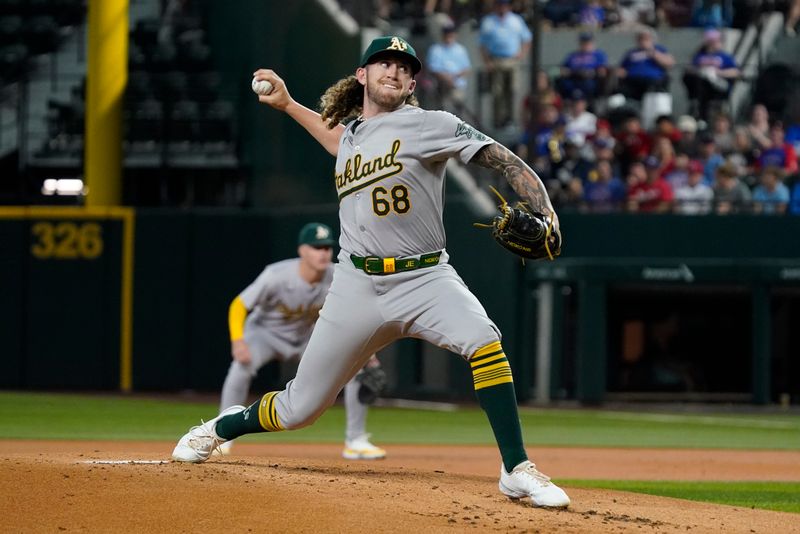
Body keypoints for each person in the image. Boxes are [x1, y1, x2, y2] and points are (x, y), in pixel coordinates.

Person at [172, 35, 571, 509]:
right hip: (356, 284)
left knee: (485, 342)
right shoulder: (355, 135)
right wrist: (288, 105)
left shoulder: (430, 124)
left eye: (404, 67)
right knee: (300, 409)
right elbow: (335, 140)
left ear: (412, 82)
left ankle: (516, 468)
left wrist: (545, 209)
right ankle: (220, 427)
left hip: (426, 278)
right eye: (384, 62)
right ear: (362, 75)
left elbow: (503, 159)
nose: (394, 71)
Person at [217, 222, 386, 460]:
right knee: (241, 367)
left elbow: (355, 313)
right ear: (302, 251)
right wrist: (238, 341)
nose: (323, 253)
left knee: (355, 366)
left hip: (306, 335)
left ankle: (355, 441)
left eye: (327, 247)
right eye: (316, 247)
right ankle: (222, 432)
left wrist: (367, 354)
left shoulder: (338, 275)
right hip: (265, 334)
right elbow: (239, 305)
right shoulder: (276, 275)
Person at [479, 0, 532, 128]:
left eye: (504, 5)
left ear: (509, 6)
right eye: (500, 5)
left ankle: (511, 119)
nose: (502, 7)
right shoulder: (488, 21)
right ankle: (498, 120)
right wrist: (487, 62)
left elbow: (527, 38)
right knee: (497, 92)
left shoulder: (516, 20)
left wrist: (522, 54)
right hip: (495, 60)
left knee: (513, 91)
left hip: (512, 60)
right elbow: (482, 43)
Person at [682, 29, 740, 121]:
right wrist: (700, 71)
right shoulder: (699, 55)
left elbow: (735, 72)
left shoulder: (724, 56)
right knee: (695, 80)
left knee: (704, 83)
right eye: (710, 41)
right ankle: (697, 108)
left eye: (714, 41)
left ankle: (701, 113)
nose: (712, 44)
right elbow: (688, 69)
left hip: (718, 85)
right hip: (701, 84)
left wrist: (718, 72)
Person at [616, 28, 675, 101]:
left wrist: (652, 53)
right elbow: (622, 68)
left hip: (652, 80)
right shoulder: (631, 52)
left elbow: (670, 63)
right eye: (640, 39)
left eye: (646, 38)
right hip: (631, 80)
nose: (643, 41)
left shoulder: (659, 49)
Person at [426, 22, 472, 114]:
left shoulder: (460, 49)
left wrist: (454, 78)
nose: (449, 36)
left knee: (458, 107)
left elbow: (467, 68)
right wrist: (446, 79)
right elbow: (432, 68)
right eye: (446, 34)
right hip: (441, 86)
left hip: (457, 85)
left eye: (451, 34)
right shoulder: (436, 49)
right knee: (443, 109)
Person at [556, 32, 609, 103]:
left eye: (587, 42)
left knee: (589, 85)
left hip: (590, 80)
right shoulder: (573, 55)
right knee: (563, 84)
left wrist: (592, 73)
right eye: (583, 42)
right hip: (573, 78)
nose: (585, 44)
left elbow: (602, 71)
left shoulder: (598, 54)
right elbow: (563, 69)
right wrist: (573, 72)